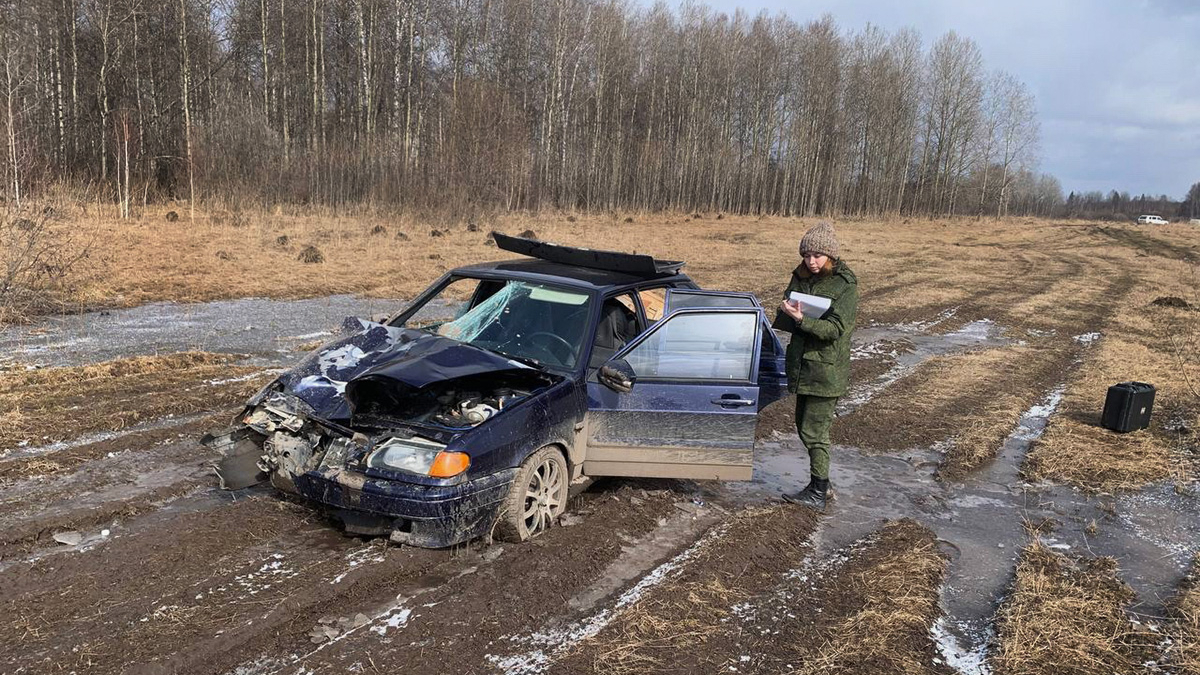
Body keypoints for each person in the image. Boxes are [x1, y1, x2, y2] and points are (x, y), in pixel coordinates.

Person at [772, 221, 858, 511]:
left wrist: (801, 320)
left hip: (826, 368)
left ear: (831, 255)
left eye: (818, 256)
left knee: (814, 431)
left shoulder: (845, 285)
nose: (812, 261)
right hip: (802, 365)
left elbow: (835, 329)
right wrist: (786, 311)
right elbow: (786, 313)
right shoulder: (800, 276)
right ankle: (824, 485)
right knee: (803, 426)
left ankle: (818, 491)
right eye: (807, 255)